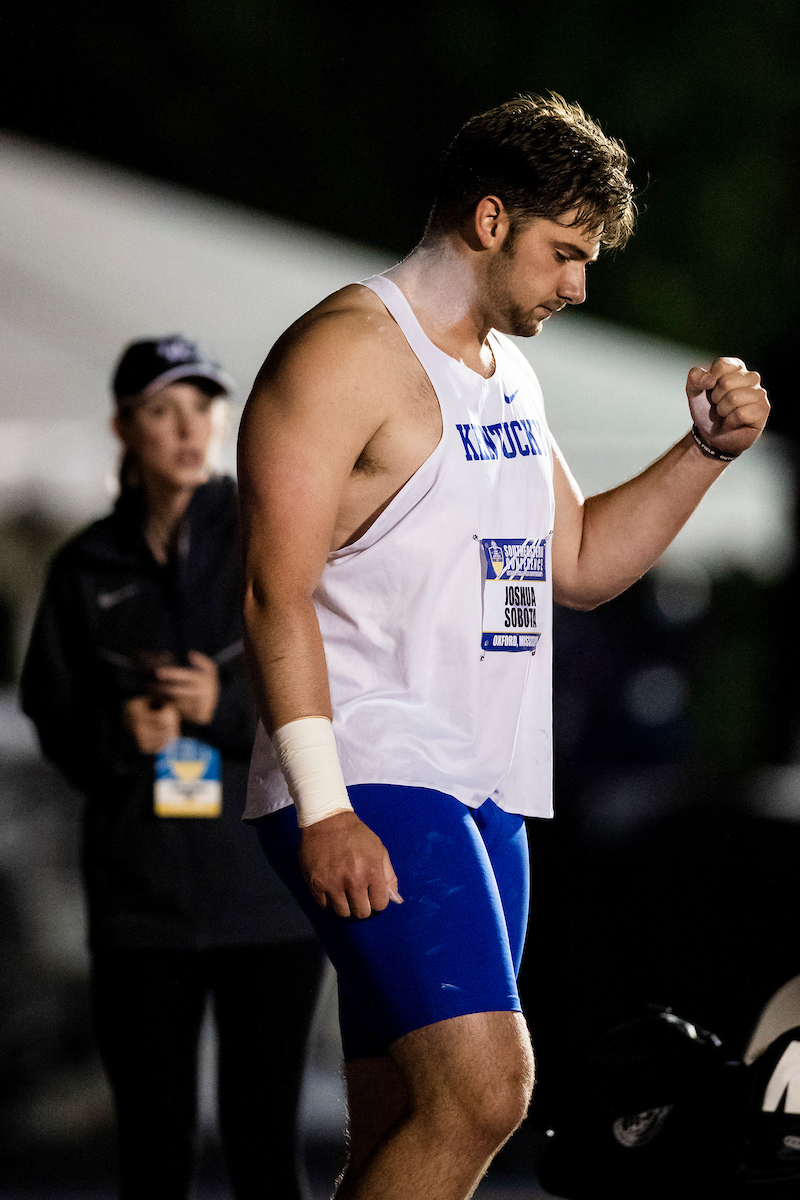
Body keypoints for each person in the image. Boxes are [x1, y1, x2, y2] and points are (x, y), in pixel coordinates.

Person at [237, 94, 770, 1200]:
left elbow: (573, 563)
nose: (577, 286)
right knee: (486, 1091)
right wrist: (326, 805)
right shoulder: (344, 351)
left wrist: (702, 452)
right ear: (488, 219)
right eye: (564, 253)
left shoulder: (502, 371)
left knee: (405, 1115)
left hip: (483, 782)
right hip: (371, 767)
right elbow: (270, 593)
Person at [21, 336, 325, 1200]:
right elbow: (53, 711)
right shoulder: (88, 566)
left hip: (265, 889)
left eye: (202, 406)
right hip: (141, 901)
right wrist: (123, 734)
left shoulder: (271, 531)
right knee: (153, 1149)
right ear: (125, 428)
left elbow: (336, 678)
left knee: (264, 1144)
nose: (189, 428)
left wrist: (221, 712)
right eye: (163, 410)